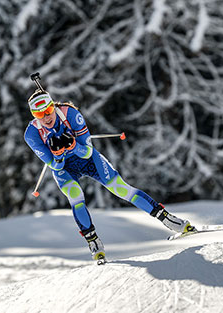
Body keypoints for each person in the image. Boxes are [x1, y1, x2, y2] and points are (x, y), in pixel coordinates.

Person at [24, 89, 195, 262]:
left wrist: (74, 146)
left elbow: (88, 151)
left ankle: (168, 219)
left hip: (87, 159)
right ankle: (93, 242)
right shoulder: (31, 134)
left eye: (48, 110)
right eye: (39, 114)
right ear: (33, 115)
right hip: (65, 169)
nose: (46, 117)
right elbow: (54, 165)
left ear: (53, 106)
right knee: (75, 196)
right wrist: (59, 154)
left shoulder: (70, 114)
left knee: (121, 189)